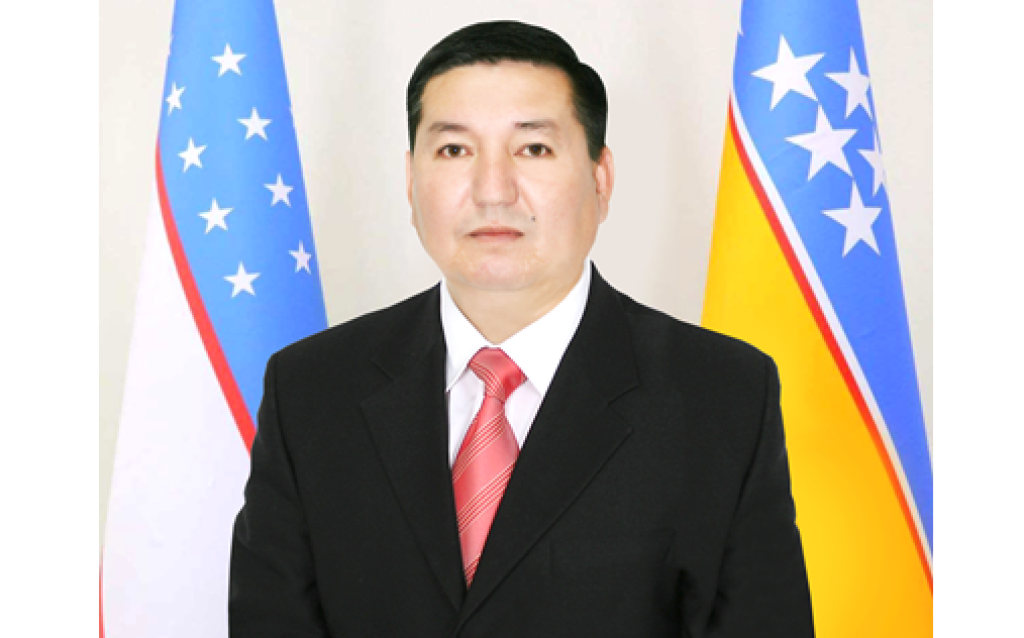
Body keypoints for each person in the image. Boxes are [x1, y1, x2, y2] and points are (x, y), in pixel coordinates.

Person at [229, 20, 814, 637]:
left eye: (533, 149)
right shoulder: (311, 390)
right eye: (454, 150)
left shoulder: (720, 394)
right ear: (410, 181)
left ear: (600, 179)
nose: (492, 190)